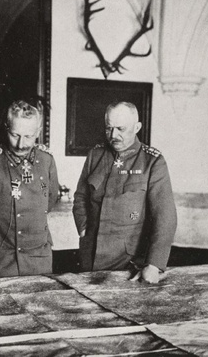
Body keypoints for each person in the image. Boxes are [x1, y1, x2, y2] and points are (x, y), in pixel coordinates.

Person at [72, 101, 177, 284]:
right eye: (109, 128)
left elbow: (165, 216)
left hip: (129, 262)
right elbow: (81, 196)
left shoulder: (152, 161)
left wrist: (154, 264)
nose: (113, 135)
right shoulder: (95, 155)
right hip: (91, 256)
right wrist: (83, 229)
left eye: (121, 129)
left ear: (137, 127)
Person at [0, 99, 59, 289]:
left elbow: (50, 201)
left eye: (29, 136)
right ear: (6, 128)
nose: (21, 144)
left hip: (39, 261)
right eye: (15, 135)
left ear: (38, 132)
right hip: (0, 263)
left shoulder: (47, 160)